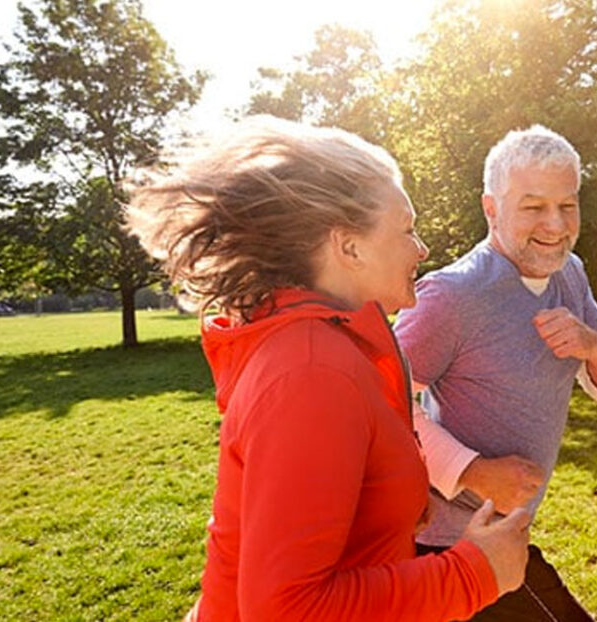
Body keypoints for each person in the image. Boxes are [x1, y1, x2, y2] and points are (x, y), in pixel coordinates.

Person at [125, 116, 531, 621]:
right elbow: (285, 611)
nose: (421, 249)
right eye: (406, 229)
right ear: (349, 247)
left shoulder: (335, 340)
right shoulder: (311, 372)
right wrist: (475, 573)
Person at [395, 125, 597, 621]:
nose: (555, 224)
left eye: (568, 205)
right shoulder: (451, 295)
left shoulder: (570, 272)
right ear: (491, 208)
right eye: (533, 206)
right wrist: (473, 471)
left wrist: (593, 347)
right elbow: (374, 404)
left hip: (506, 533)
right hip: (442, 544)